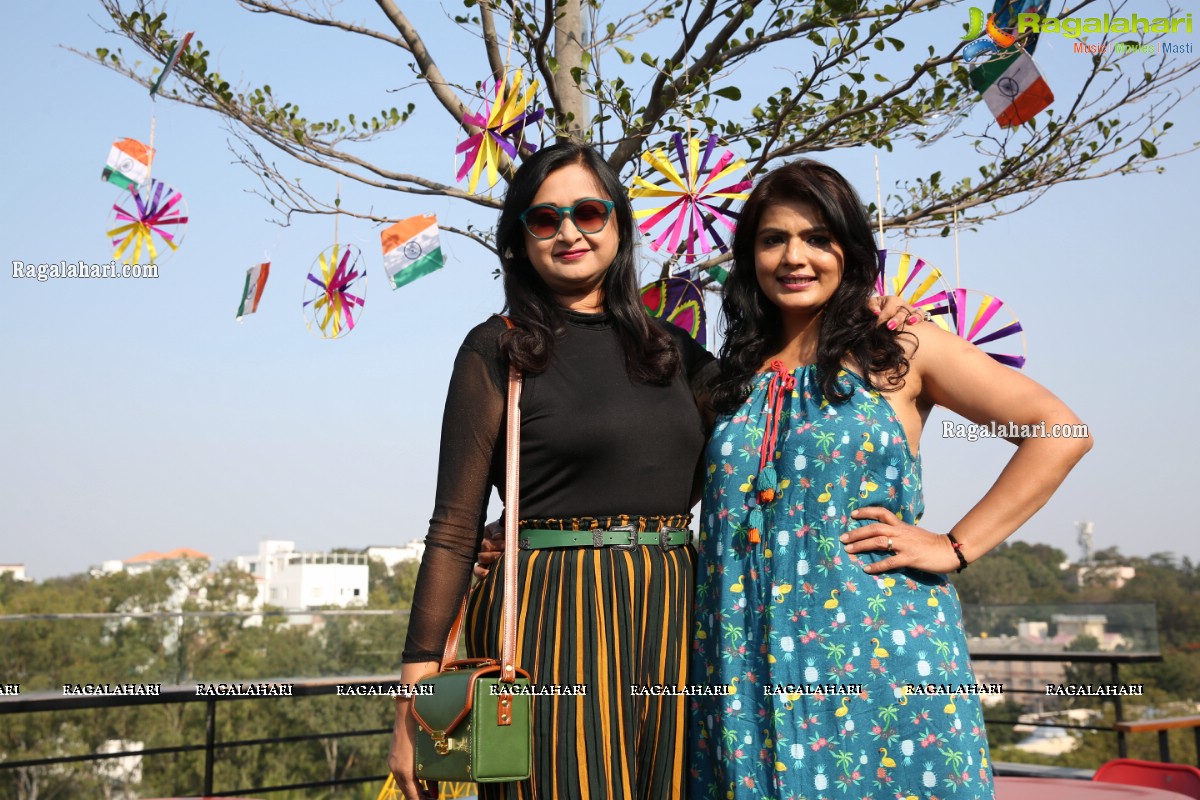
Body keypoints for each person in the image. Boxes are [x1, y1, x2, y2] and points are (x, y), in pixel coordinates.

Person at [689, 160, 1092, 800]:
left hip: (877, 651)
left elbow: (1059, 431)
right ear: (749, 258)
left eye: (818, 238)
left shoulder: (899, 345)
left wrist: (956, 545)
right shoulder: (726, 378)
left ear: (849, 251)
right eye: (773, 239)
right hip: (741, 662)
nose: (795, 257)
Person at [388, 141, 712, 800]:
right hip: (552, 621)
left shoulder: (675, 351)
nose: (568, 231)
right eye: (544, 218)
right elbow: (454, 527)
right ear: (520, 240)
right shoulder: (496, 349)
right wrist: (413, 701)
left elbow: (775, 418)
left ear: (619, 225)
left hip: (680, 613)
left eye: (589, 212)